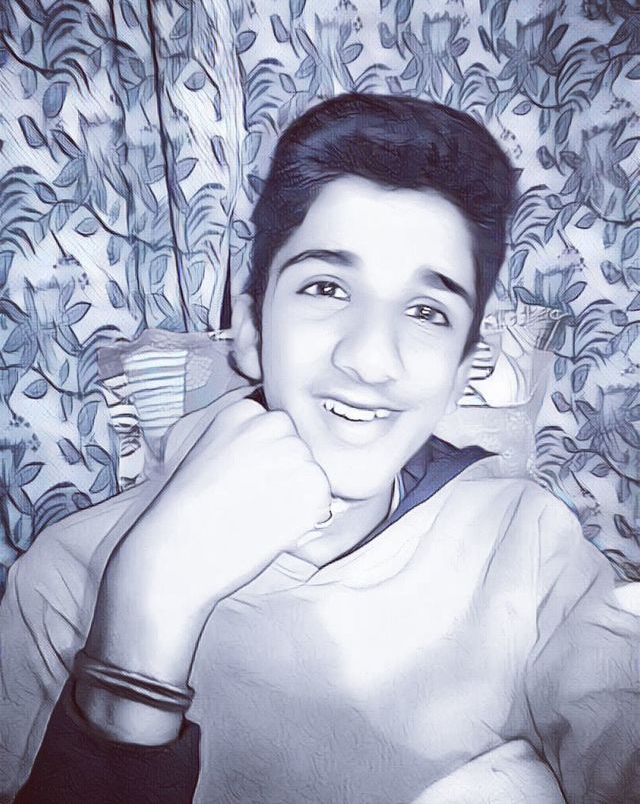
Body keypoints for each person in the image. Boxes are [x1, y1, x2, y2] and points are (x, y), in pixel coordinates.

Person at [1, 94, 638, 804]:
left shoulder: (530, 542)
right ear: (252, 330)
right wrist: (145, 607)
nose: (371, 357)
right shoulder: (62, 578)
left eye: (427, 310)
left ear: (463, 371)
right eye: (328, 287)